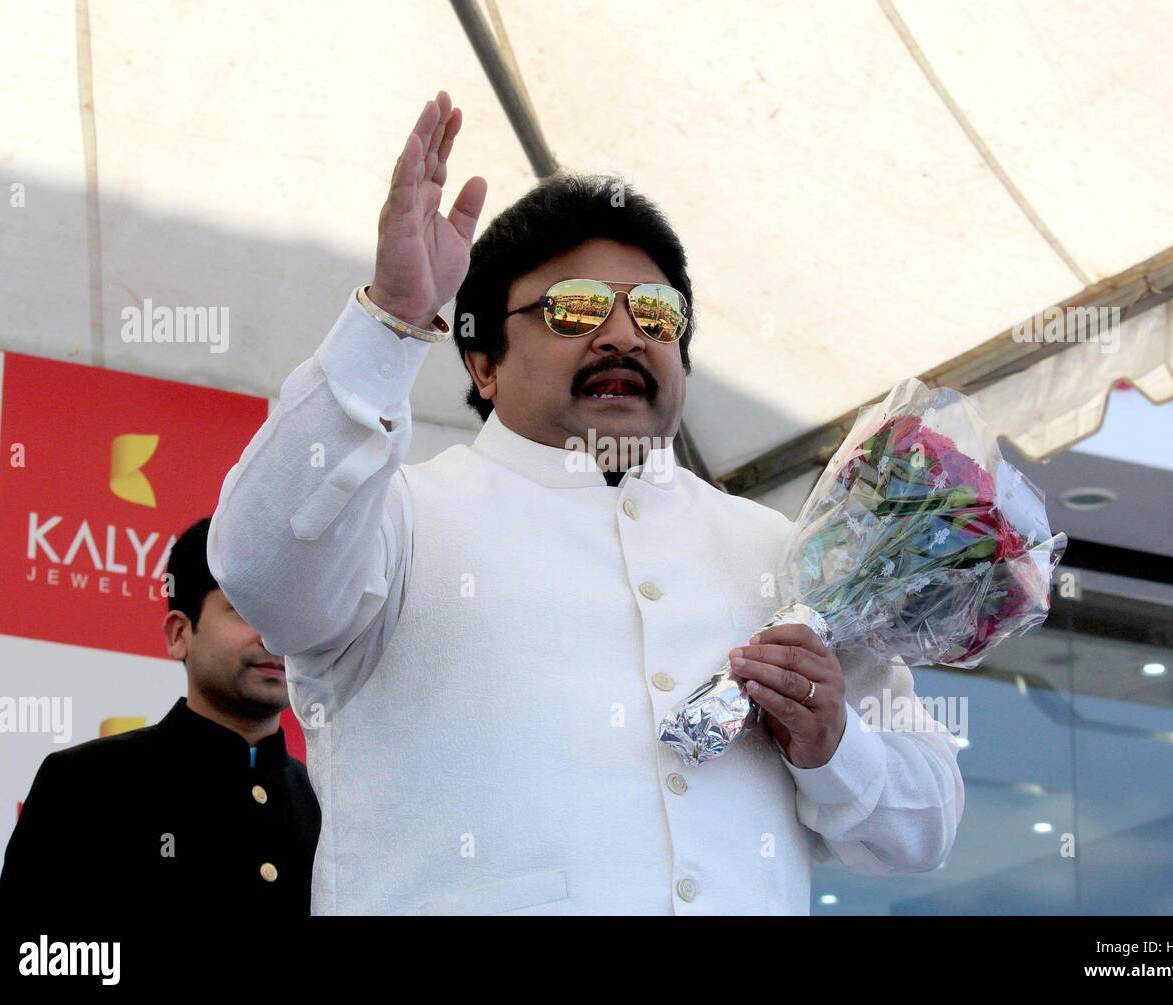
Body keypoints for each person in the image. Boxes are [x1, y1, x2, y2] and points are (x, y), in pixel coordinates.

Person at [208, 90, 964, 915]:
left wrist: (834, 746)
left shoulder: (786, 553)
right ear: (483, 364)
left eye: (655, 312)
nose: (621, 335)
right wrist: (389, 321)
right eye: (572, 308)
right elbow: (260, 567)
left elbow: (926, 825)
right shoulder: (402, 520)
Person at [0, 517, 320, 916]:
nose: (273, 637)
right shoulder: (85, 784)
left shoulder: (323, 802)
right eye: (245, 609)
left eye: (289, 616)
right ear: (179, 634)